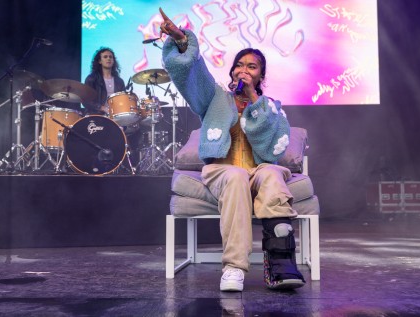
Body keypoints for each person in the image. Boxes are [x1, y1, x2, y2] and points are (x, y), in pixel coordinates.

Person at [159, 8, 305, 292]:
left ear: (261, 74)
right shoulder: (215, 98)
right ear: (232, 70)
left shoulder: (272, 107)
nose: (244, 70)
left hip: (260, 171)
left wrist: (254, 101)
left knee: (273, 174)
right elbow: (193, 75)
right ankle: (234, 267)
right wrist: (181, 41)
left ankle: (280, 263)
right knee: (236, 175)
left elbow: (274, 149)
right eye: (240, 64)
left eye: (252, 66)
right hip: (223, 172)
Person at [84, 47, 126, 115]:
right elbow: (85, 101)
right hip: (96, 115)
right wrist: (102, 108)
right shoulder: (91, 79)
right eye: (105, 57)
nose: (108, 58)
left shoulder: (119, 81)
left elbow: (123, 100)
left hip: (115, 116)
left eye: (110, 57)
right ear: (100, 61)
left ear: (113, 61)